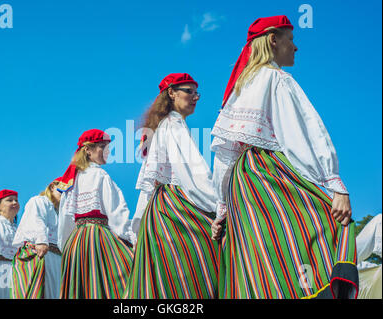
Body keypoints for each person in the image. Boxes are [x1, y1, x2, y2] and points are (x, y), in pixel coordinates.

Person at [210, 15, 358, 299]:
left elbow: (225, 154)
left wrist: (222, 209)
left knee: (261, 260)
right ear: (274, 40)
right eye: (291, 39)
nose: (296, 47)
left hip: (240, 186)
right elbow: (304, 135)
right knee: (326, 224)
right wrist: (334, 183)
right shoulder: (278, 79)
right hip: (268, 175)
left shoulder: (240, 87)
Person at [124, 73, 225, 299]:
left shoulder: (163, 125)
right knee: (209, 262)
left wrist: (138, 228)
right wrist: (221, 206)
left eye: (196, 92)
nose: (195, 97)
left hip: (157, 215)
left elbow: (148, 187)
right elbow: (194, 174)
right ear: (171, 93)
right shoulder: (173, 124)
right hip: (174, 212)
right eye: (188, 91)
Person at [57, 129, 134, 299]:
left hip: (76, 244)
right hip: (98, 240)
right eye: (102, 147)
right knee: (126, 277)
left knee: (80, 288)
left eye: (107, 147)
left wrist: (66, 249)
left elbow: (65, 221)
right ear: (88, 150)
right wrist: (133, 240)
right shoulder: (101, 175)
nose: (107, 151)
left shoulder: (71, 180)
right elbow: (117, 214)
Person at [11, 178, 62, 299]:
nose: (66, 195)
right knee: (39, 292)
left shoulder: (62, 212)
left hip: (58, 258)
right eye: (63, 191)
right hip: (41, 254)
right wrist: (41, 240)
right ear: (52, 187)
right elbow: (37, 219)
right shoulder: (40, 201)